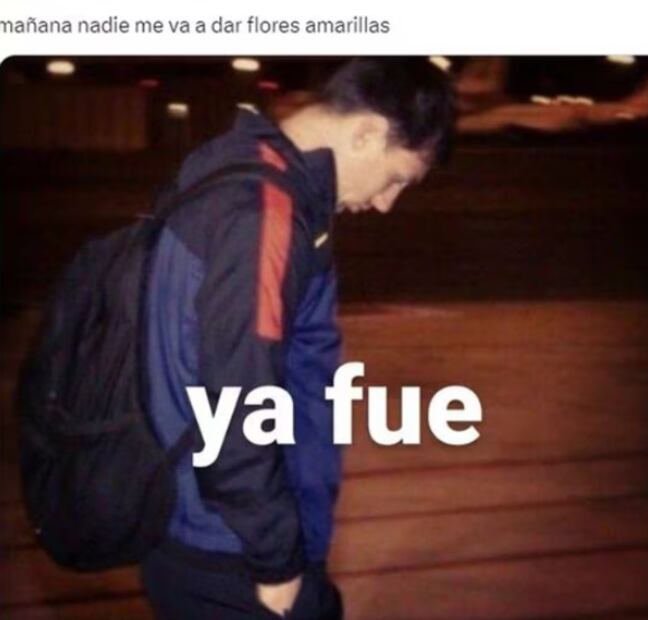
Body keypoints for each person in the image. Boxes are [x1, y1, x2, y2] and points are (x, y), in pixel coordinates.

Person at [139, 57, 454, 619]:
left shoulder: (230, 164)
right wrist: (276, 559)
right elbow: (237, 398)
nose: (386, 204)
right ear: (366, 133)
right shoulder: (265, 210)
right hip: (233, 549)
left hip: (198, 526)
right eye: (397, 178)